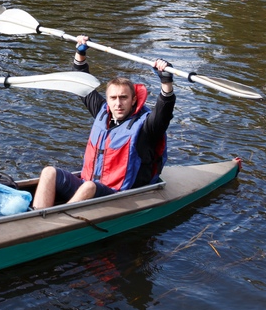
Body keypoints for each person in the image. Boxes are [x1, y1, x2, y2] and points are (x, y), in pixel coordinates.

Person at [31, 39, 175, 209]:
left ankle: (55, 223)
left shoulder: (146, 126)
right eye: (113, 98)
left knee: (89, 187)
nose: (118, 104)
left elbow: (164, 112)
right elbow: (80, 82)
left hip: (117, 194)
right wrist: (81, 53)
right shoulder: (102, 111)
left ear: (133, 100)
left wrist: (166, 82)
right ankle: (38, 215)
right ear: (107, 100)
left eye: (124, 98)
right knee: (49, 172)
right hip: (88, 184)